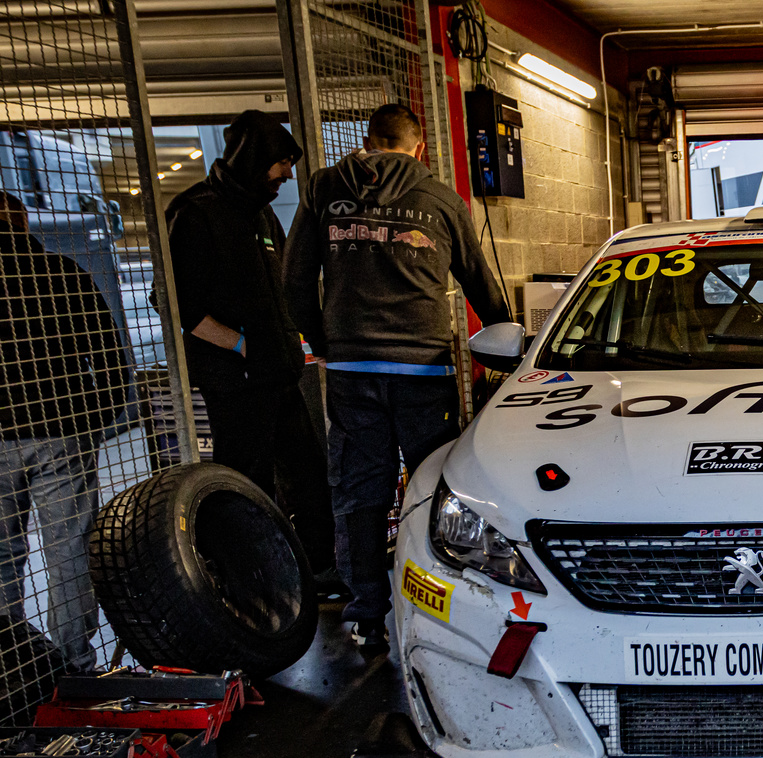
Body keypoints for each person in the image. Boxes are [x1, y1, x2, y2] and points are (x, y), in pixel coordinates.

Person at [284, 103, 509, 653]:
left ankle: (367, 617)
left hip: (352, 370)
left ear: (368, 140)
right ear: (419, 146)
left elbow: (293, 282)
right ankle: (442, 611)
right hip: (424, 370)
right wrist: (509, 349)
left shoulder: (324, 189)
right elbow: (479, 282)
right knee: (435, 489)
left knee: (360, 493)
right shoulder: (441, 199)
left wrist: (325, 344)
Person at [164, 110, 334, 576]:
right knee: (247, 486)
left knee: (308, 477)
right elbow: (181, 307)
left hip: (280, 375)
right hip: (236, 384)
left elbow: (283, 287)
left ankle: (317, 572)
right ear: (256, 158)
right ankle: (249, 579)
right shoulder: (193, 212)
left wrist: (299, 341)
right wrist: (242, 346)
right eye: (283, 163)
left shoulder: (261, 213)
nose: (289, 174)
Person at [0, 191, 129, 672]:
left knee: (3, 554)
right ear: (24, 222)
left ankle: (11, 664)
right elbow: (110, 355)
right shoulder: (64, 273)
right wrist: (95, 420)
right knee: (69, 548)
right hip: (61, 431)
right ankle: (76, 664)